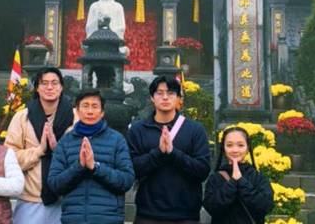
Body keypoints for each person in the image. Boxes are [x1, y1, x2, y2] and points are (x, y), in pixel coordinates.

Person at [126, 76, 212, 224]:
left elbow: (203, 170)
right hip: (148, 214)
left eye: (171, 93)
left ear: (178, 98)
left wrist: (174, 154)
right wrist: (158, 153)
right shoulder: (138, 130)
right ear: (152, 98)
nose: (165, 97)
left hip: (185, 215)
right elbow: (132, 169)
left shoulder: (194, 130)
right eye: (159, 93)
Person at [47, 89, 135, 224]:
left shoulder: (117, 140)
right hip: (74, 219)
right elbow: (54, 184)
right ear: (77, 110)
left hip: (108, 219)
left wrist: (95, 167)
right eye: (85, 106)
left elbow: (126, 180)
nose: (89, 111)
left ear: (102, 112)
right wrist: (79, 166)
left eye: (95, 106)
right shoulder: (65, 142)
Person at [5, 67, 75, 223]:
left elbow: (81, 157)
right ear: (37, 88)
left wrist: (58, 150)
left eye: (54, 83)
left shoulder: (75, 117)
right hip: (30, 199)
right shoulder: (22, 117)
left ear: (61, 87)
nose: (49, 87)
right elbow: (8, 158)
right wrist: (39, 151)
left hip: (66, 199)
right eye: (44, 83)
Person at [203, 127, 274, 224]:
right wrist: (232, 183)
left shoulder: (258, 177)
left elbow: (265, 206)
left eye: (240, 145)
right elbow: (212, 208)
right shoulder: (215, 178)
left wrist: (241, 181)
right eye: (229, 145)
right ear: (223, 148)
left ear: (248, 148)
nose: (235, 150)